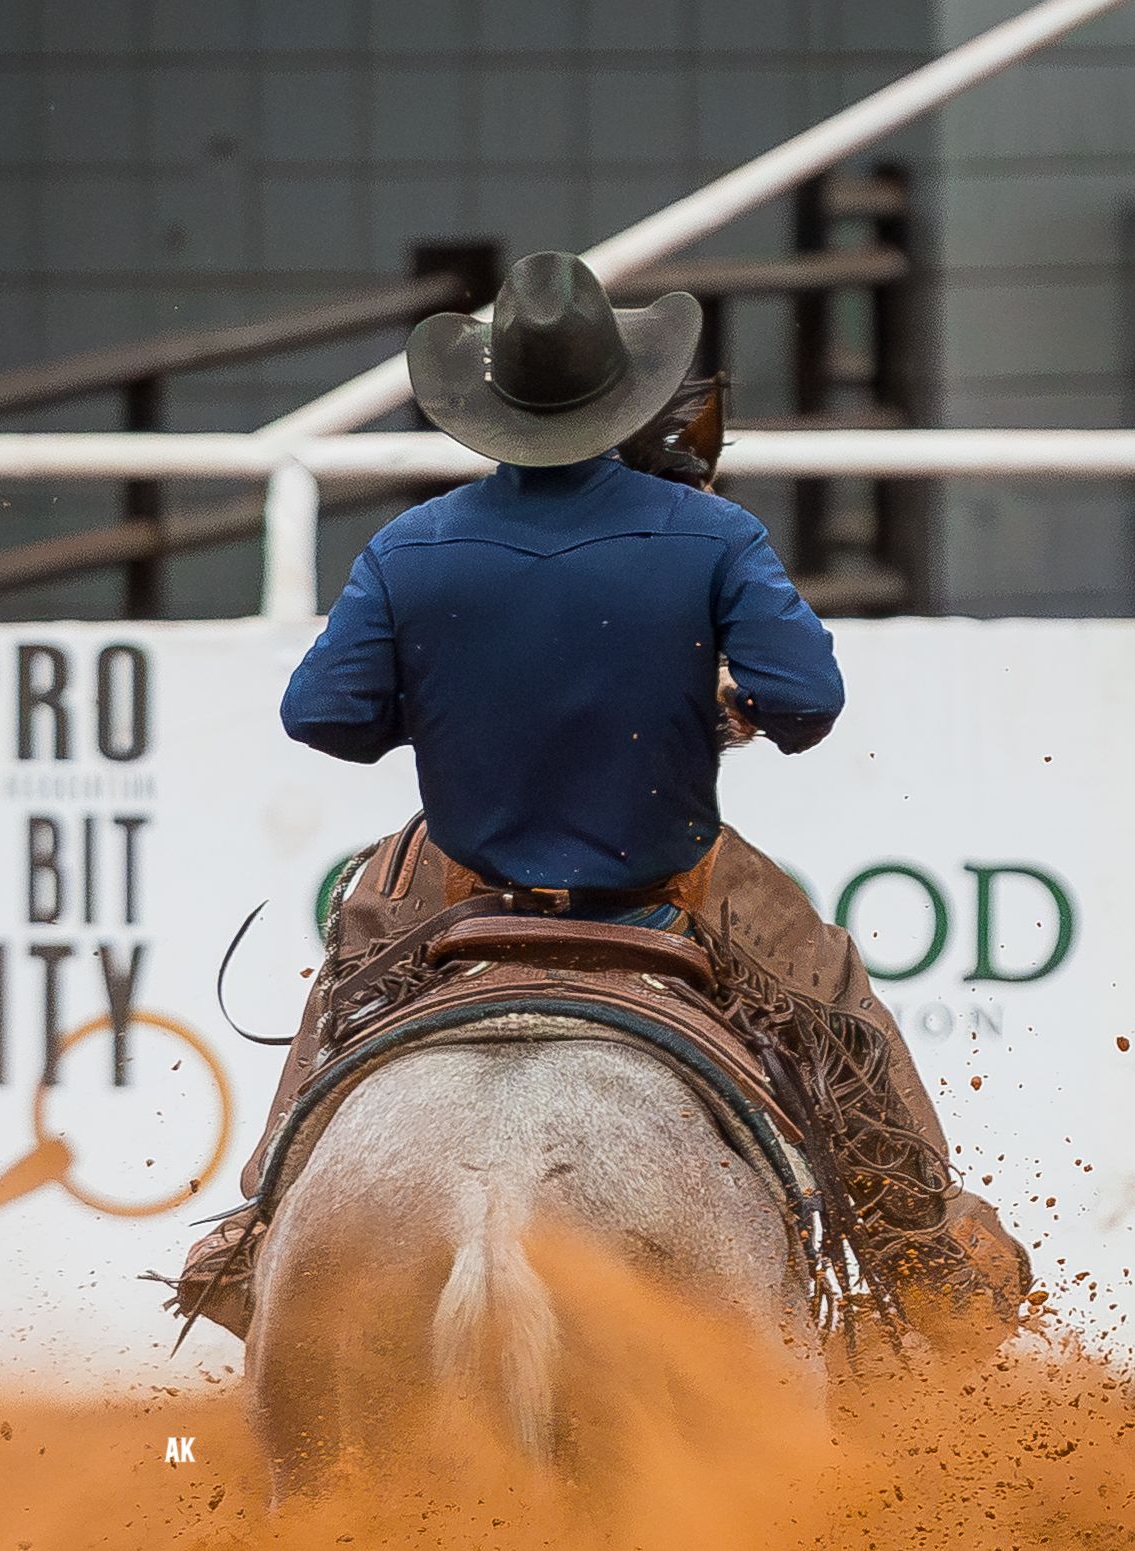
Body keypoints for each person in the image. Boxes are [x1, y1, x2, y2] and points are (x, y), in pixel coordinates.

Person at [173, 251, 1028, 1342]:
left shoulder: (411, 545)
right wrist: (720, 703)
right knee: (823, 982)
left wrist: (445, 704)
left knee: (356, 944)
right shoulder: (713, 535)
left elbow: (322, 715)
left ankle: (257, 1233)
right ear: (626, 401)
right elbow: (807, 700)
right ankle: (925, 1255)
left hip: (461, 878)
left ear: (491, 406)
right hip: (665, 883)